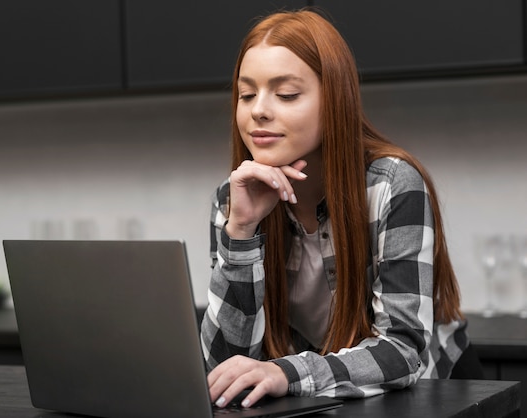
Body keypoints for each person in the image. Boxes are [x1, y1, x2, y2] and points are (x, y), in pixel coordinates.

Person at [200, 8, 482, 410]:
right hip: (322, 399)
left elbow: (403, 350)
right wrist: (242, 229)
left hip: (433, 395)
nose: (258, 110)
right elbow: (225, 369)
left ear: (334, 99)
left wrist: (287, 372)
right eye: (246, 94)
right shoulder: (234, 199)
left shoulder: (392, 184)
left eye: (286, 94)